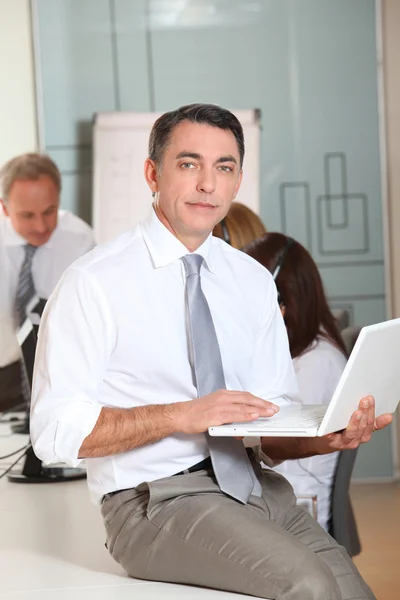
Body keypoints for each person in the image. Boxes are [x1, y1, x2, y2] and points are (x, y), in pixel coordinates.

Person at [30, 104, 391, 600]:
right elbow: (53, 435)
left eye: (224, 167)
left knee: (354, 593)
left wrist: (327, 437)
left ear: (238, 180)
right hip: (152, 503)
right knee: (307, 586)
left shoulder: (251, 281)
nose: (208, 184)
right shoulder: (93, 283)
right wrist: (184, 415)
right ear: (152, 173)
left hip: (256, 487)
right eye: (188, 164)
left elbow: (269, 433)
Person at [243, 232, 348, 531]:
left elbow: (284, 452)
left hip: (297, 506)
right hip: (278, 495)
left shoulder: (317, 362)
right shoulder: (296, 353)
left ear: (280, 297)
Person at [0, 153, 95, 412]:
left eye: (49, 211)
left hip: (57, 376)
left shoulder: (79, 240)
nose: (41, 226)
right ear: (5, 208)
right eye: (28, 215)